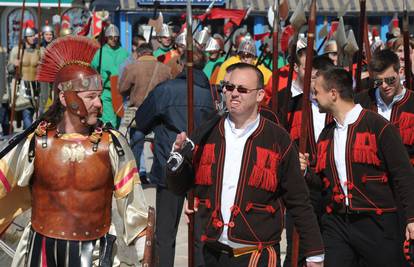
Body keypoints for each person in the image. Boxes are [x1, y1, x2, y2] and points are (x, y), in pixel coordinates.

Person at [0, 35, 149, 266]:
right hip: (41, 253)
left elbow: (134, 206)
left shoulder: (113, 144)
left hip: (95, 254)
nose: (99, 104)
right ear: (65, 97)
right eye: (91, 97)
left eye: (99, 97)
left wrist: (144, 252)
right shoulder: (35, 142)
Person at [167, 63, 324, 266]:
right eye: (229, 87)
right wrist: (175, 161)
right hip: (211, 253)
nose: (234, 94)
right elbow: (179, 187)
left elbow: (298, 199)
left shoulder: (278, 139)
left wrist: (314, 253)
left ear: (259, 95)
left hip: (256, 255)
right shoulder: (207, 132)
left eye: (242, 89)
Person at [308, 67, 414, 267]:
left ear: (333, 94)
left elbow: (404, 175)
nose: (313, 97)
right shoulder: (327, 133)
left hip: (377, 222)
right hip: (337, 223)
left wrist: (412, 218)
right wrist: (305, 171)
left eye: (316, 92)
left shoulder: (378, 126)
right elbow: (321, 182)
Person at [134, 47, 215, 266]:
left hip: (172, 167)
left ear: (180, 64)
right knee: (199, 235)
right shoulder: (211, 93)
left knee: (166, 234)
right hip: (199, 168)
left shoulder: (166, 90)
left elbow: (142, 120)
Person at [279, 54, 335, 267]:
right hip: (301, 186)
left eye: (317, 79)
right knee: (298, 249)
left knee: (331, 248)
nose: (313, 84)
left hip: (332, 186)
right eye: (310, 78)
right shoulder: (289, 103)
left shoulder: (337, 104)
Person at [119, 43, 171, 180]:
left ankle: (134, 178)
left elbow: (122, 89)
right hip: (159, 114)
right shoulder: (165, 69)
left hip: (139, 114)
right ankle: (159, 175)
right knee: (160, 146)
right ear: (151, 53)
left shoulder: (131, 68)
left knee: (136, 146)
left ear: (139, 54)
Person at [91, 24, 129, 129]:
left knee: (117, 120)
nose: (113, 39)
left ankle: (112, 141)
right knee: (108, 120)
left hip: (120, 91)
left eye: (115, 37)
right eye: (111, 37)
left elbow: (130, 71)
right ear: (107, 37)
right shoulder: (100, 53)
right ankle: (109, 141)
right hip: (106, 91)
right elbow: (93, 70)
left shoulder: (124, 53)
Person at [7, 25, 41, 130]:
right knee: (27, 111)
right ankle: (28, 134)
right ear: (25, 37)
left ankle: (29, 131)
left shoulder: (39, 51)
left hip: (36, 85)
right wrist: (14, 65)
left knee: (34, 113)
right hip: (22, 85)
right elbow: (9, 69)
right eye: (30, 36)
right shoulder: (17, 50)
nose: (33, 38)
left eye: (33, 36)